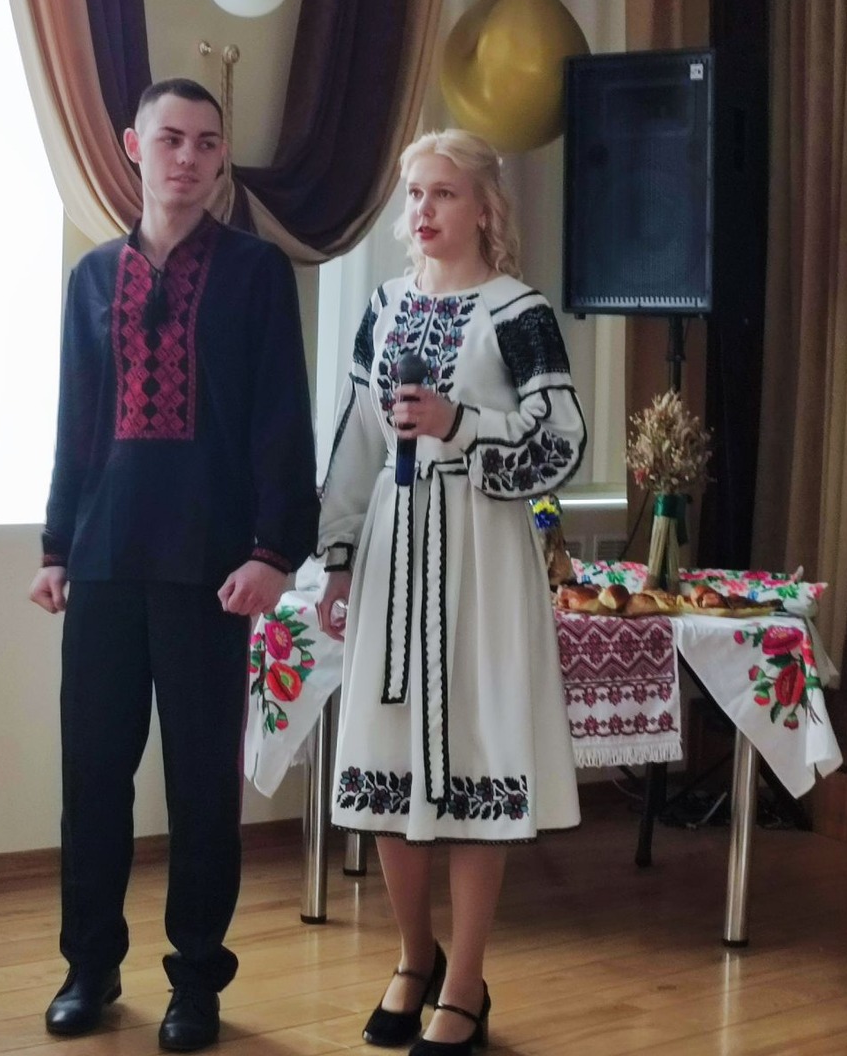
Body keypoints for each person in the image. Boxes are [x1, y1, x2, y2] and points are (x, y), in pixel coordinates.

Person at [29, 78, 317, 1052]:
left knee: (200, 788)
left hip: (211, 569)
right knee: (92, 779)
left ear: (220, 154)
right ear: (132, 146)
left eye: (205, 142)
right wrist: (55, 548)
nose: (187, 157)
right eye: (170, 139)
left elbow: (282, 420)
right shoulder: (90, 279)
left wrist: (274, 551)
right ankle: (89, 967)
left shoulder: (255, 272)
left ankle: (196, 981)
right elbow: (75, 423)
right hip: (105, 561)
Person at [315, 129, 587, 1054]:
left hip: (482, 554)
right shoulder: (383, 309)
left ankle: (465, 985)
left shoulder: (520, 312)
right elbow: (355, 440)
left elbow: (561, 442)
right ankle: (413, 956)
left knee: (473, 759)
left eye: (442, 193)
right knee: (386, 756)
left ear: (483, 208)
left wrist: (460, 424)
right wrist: (339, 557)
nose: (423, 211)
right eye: (414, 194)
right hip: (395, 552)